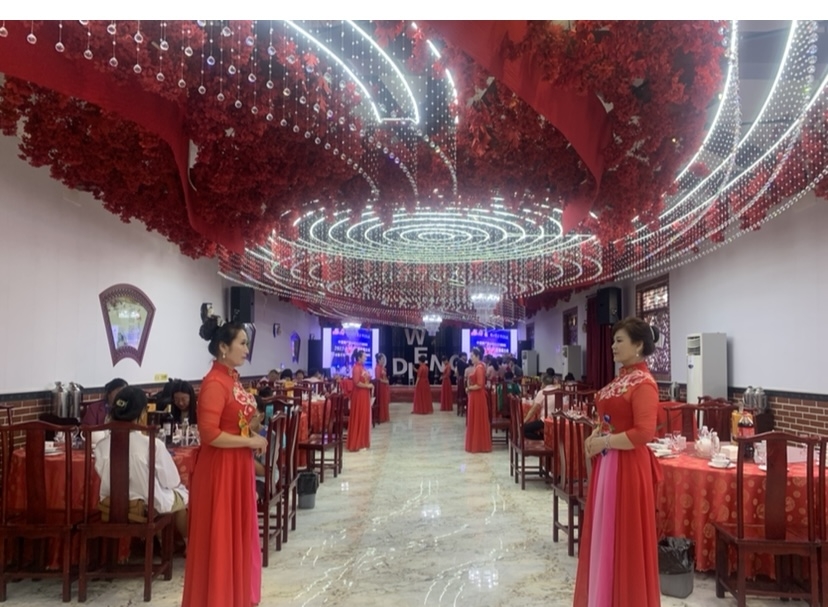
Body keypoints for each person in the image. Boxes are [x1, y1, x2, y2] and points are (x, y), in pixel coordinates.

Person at [573, 317, 662, 607]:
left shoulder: (644, 384)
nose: (612, 345)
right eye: (613, 340)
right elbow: (611, 419)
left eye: (619, 340)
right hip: (608, 463)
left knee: (624, 537)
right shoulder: (622, 378)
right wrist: (597, 433)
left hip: (628, 467)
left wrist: (605, 442)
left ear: (638, 345)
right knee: (605, 533)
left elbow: (644, 433)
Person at [182, 314, 268, 607]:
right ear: (223, 347)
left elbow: (233, 424)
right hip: (220, 469)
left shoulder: (231, 379)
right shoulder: (214, 383)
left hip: (238, 465)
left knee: (237, 533)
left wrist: (252, 434)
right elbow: (209, 435)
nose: (246, 349)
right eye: (242, 343)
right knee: (221, 535)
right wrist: (250, 441)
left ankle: (237, 595)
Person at [93, 386, 189, 545]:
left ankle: (159, 543)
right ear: (143, 413)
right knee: (181, 495)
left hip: (112, 505)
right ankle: (187, 544)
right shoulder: (153, 444)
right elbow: (171, 481)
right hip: (147, 505)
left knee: (161, 495)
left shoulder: (101, 446)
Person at [465, 347, 492, 453]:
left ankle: (478, 444)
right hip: (475, 396)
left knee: (477, 419)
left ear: (477, 356)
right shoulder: (477, 367)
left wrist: (469, 388)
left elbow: (480, 385)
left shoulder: (480, 368)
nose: (471, 358)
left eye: (472, 356)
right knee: (475, 419)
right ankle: (476, 443)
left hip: (478, 397)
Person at [347, 349, 372, 451]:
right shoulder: (356, 368)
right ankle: (358, 443)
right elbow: (356, 382)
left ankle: (363, 442)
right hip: (359, 395)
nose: (365, 358)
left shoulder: (362, 367)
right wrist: (367, 386)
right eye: (364, 356)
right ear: (359, 358)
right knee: (360, 416)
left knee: (364, 417)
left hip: (364, 394)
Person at [522, 374, 556, 440]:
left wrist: (525, 421)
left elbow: (533, 409)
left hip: (545, 420)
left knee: (523, 429)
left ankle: (543, 438)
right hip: (557, 420)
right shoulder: (559, 391)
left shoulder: (542, 392)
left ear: (543, 383)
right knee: (533, 426)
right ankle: (545, 437)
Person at [375, 353, 391, 423]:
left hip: (384, 386)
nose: (383, 361)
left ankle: (385, 416)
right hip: (380, 387)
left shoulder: (382, 367)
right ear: (378, 360)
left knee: (385, 401)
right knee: (382, 401)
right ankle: (381, 417)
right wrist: (385, 381)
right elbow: (378, 378)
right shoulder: (377, 368)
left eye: (383, 359)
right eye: (382, 359)